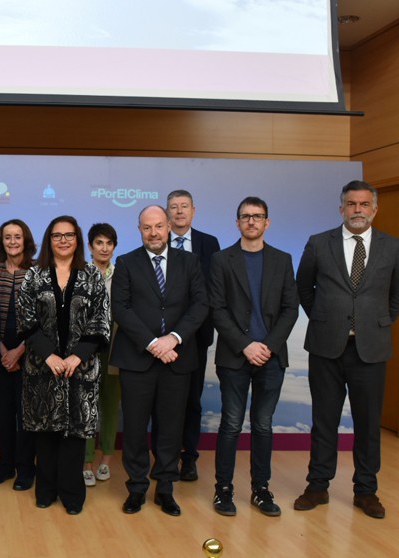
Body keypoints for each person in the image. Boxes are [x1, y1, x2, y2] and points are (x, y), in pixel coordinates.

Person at [293, 180, 399, 519]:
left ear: (374, 209)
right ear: (341, 208)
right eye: (351, 204)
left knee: (368, 424)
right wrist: (324, 319)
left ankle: (366, 491)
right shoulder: (319, 243)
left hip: (370, 349)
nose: (357, 210)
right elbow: (304, 288)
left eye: (363, 204)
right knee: (323, 421)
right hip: (326, 347)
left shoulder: (392, 246)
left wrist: (379, 321)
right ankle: (318, 486)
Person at [111, 205, 208, 517]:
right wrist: (154, 344)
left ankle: (165, 488)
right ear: (139, 230)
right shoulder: (126, 262)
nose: (153, 233)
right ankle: (137, 488)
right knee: (135, 429)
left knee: (170, 429)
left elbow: (200, 305)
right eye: (146, 227)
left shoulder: (190, 262)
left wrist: (173, 339)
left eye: (158, 226)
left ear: (168, 227)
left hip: (177, 359)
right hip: (138, 359)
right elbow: (121, 308)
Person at [208, 197, 299, 517]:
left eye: (257, 216)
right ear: (237, 223)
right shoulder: (221, 260)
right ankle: (223, 489)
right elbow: (217, 308)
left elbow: (291, 308)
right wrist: (246, 344)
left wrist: (268, 346)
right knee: (231, 424)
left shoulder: (282, 260)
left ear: (267, 222)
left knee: (263, 425)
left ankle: (261, 489)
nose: (251, 221)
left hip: (271, 358)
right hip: (234, 356)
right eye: (245, 216)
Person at [18, 216, 110, 515]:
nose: (63, 240)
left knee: (75, 436)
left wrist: (76, 356)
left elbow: (100, 321)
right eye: (57, 235)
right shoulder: (35, 275)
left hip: (80, 370)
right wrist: (49, 355)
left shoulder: (92, 275)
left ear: (77, 239)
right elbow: (25, 318)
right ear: (49, 240)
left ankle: (72, 495)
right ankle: (45, 491)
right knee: (45, 434)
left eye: (69, 235)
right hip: (42, 368)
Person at [156, 189, 220, 482]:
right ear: (167, 213)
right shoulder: (156, 241)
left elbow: (213, 291)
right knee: (161, 402)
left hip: (195, 336)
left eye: (184, 206)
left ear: (194, 210)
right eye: (174, 207)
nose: (179, 211)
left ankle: (188, 457)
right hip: (160, 339)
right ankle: (162, 458)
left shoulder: (209, 243)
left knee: (192, 400)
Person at [0, 219, 37, 491]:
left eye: (17, 236)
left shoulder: (39, 270)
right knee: (4, 412)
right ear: (1, 241)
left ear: (25, 239)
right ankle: (5, 466)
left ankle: (26, 469)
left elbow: (45, 317)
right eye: (7, 237)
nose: (13, 241)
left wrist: (19, 351)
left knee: (26, 414)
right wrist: (2, 350)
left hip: (30, 350)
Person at [83, 223, 119, 487]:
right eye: (99, 243)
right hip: (86, 347)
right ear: (90, 246)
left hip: (115, 347)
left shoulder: (123, 274)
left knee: (110, 404)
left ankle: (105, 459)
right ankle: (86, 462)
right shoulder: (80, 274)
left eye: (109, 243)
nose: (104, 248)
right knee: (86, 405)